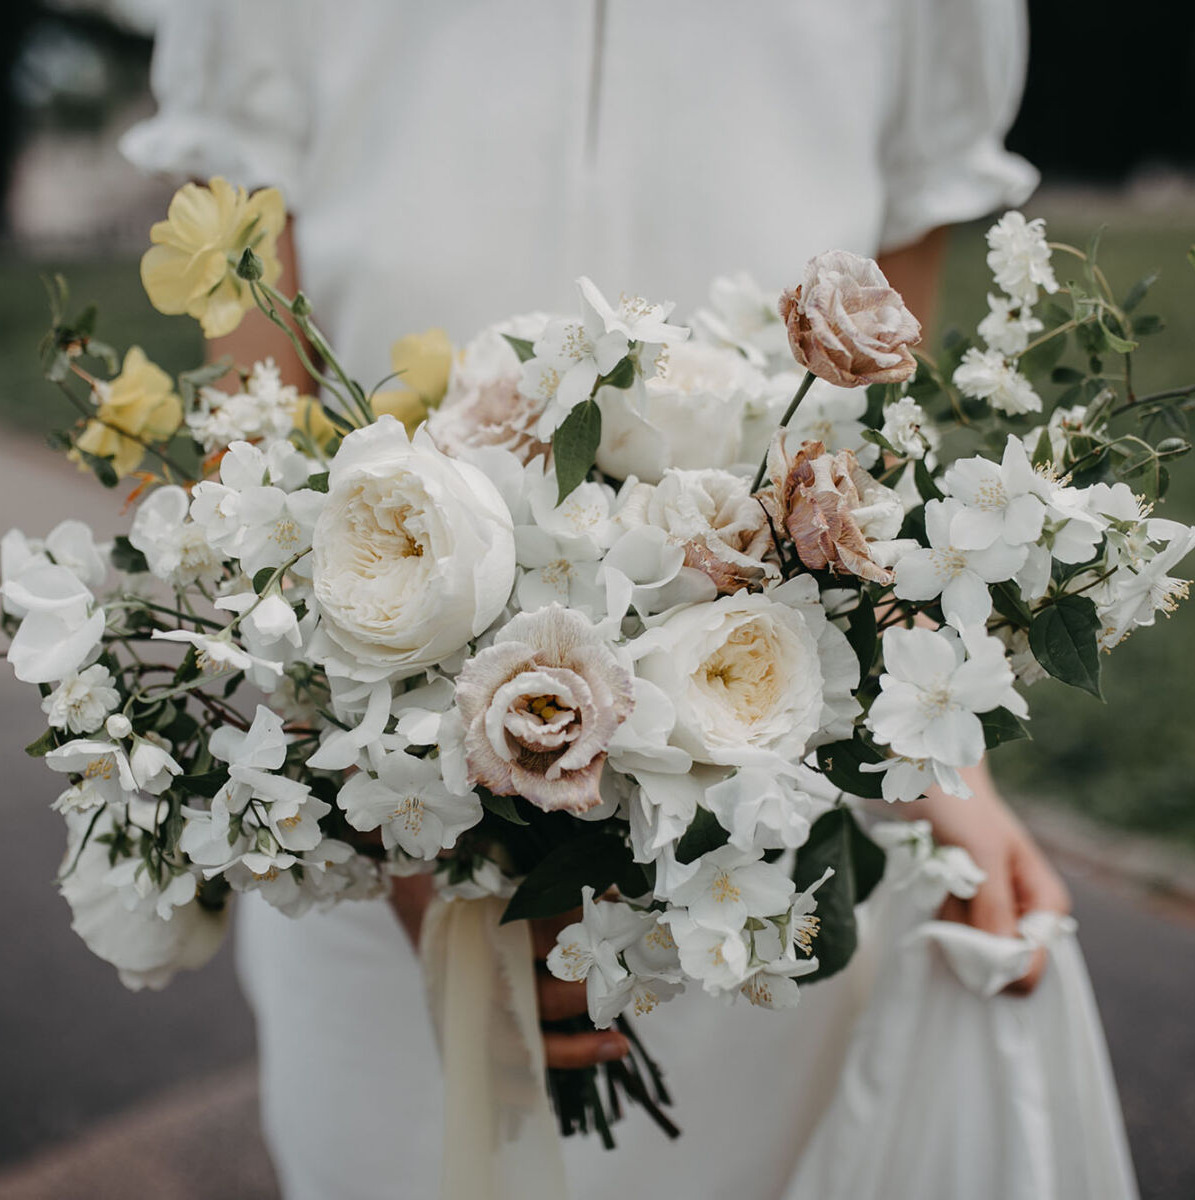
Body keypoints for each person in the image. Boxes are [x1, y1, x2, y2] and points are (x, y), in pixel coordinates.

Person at [122, 2, 1074, 1195]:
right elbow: (251, 382)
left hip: (767, 751)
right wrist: (416, 812)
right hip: (376, 757)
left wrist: (942, 749)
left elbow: (885, 352)